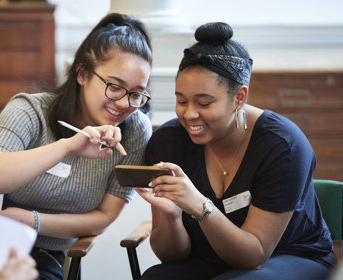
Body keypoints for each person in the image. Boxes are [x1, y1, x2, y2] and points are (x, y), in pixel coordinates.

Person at [135, 22, 337, 280]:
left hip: (291, 257)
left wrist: (199, 205)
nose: (189, 114)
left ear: (239, 98)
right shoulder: (168, 143)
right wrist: (171, 216)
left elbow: (254, 255)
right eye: (181, 100)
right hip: (210, 260)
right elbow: (171, 256)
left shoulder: (282, 146)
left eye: (204, 102)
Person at [0, 12, 152, 280]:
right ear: (82, 73)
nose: (125, 103)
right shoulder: (30, 110)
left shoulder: (135, 130)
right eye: (115, 87)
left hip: (45, 253)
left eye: (136, 93)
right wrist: (68, 146)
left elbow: (104, 216)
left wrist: (32, 220)